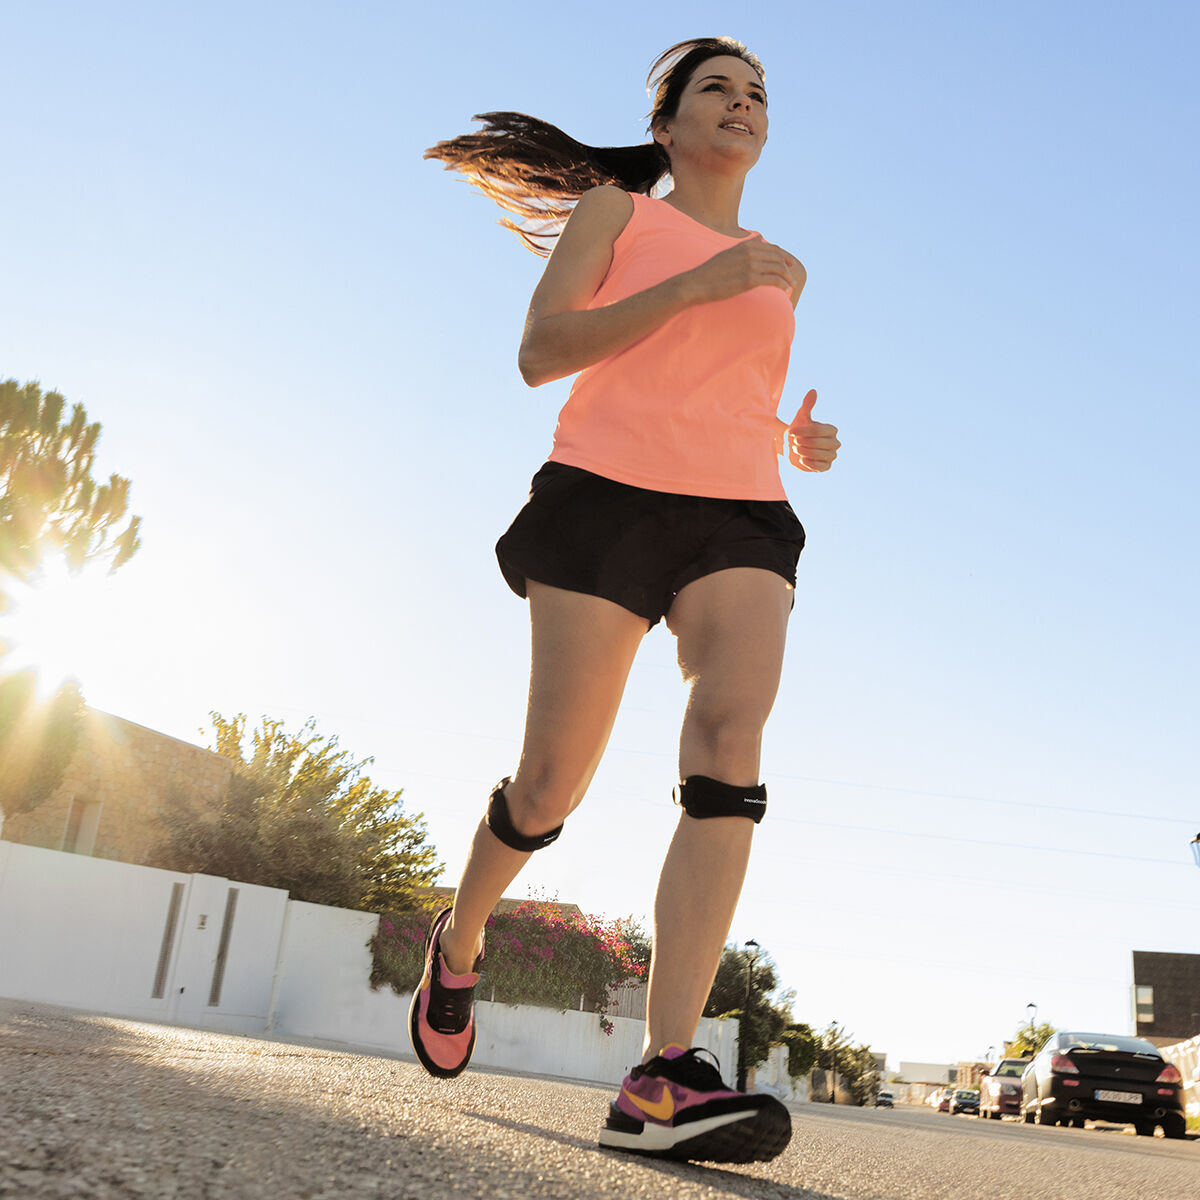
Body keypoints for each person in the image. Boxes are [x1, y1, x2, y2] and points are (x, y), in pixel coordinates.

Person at [412, 36, 841, 1164]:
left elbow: (730, 391)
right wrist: (695, 284)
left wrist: (794, 440)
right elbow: (542, 353)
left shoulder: (785, 267)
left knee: (729, 739)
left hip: (738, 511)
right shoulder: (616, 213)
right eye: (717, 89)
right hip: (603, 498)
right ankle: (460, 942)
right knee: (552, 784)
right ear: (666, 126)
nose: (743, 105)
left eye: (757, 93)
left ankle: (663, 1075)